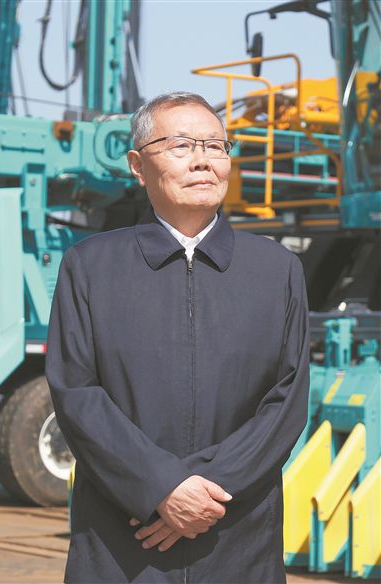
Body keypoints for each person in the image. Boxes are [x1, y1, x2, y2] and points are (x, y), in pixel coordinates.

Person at [46, 92, 310, 584]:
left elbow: (286, 400)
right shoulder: (90, 266)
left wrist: (206, 490)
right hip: (125, 538)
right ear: (137, 165)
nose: (202, 160)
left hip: (235, 531)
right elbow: (76, 392)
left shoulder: (277, 270)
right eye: (181, 145)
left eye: (215, 146)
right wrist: (160, 487)